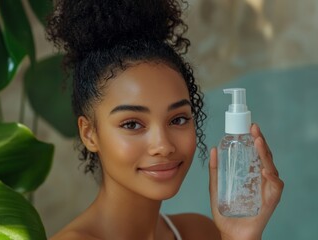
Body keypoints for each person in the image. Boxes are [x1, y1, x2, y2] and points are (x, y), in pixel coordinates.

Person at [46, 0, 284, 239]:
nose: (163, 145)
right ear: (89, 134)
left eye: (178, 119)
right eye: (132, 124)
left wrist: (243, 237)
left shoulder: (201, 232)